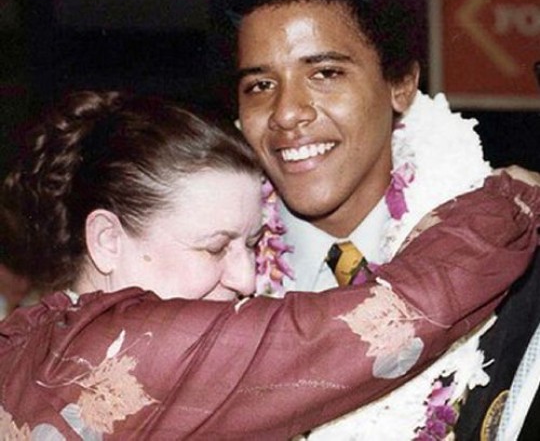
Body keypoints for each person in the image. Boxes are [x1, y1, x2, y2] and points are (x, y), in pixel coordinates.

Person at [0, 90, 538, 439]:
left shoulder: (32, 345)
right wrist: (513, 198)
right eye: (214, 247)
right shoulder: (119, 349)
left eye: (253, 245)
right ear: (107, 241)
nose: (246, 277)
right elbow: (391, 318)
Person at [209, 0, 540, 438]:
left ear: (401, 84)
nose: (288, 113)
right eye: (260, 85)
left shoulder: (510, 260)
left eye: (324, 74)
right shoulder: (204, 283)